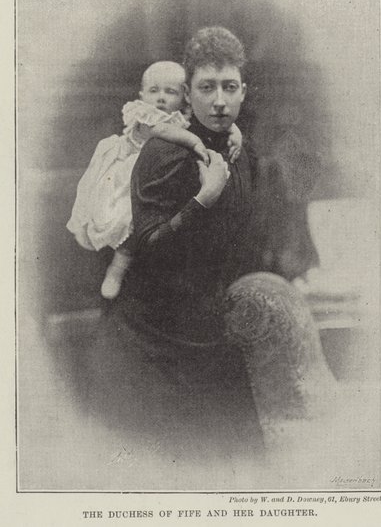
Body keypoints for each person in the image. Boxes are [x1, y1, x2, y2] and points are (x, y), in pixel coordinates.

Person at [85, 27, 332, 489]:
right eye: (206, 88)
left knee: (239, 474)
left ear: (244, 91)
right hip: (146, 341)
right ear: (187, 94)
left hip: (209, 332)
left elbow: (246, 241)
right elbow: (147, 244)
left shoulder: (241, 153)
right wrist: (203, 199)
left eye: (229, 87)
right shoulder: (163, 153)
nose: (219, 101)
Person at [66, 60, 242, 299]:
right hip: (130, 175)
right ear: (141, 95)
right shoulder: (147, 116)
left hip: (154, 177)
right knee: (128, 221)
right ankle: (116, 270)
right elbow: (161, 131)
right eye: (154, 90)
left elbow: (214, 125)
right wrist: (193, 141)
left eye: (170, 92)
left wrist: (234, 131)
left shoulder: (182, 117)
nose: (160, 98)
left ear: (185, 97)